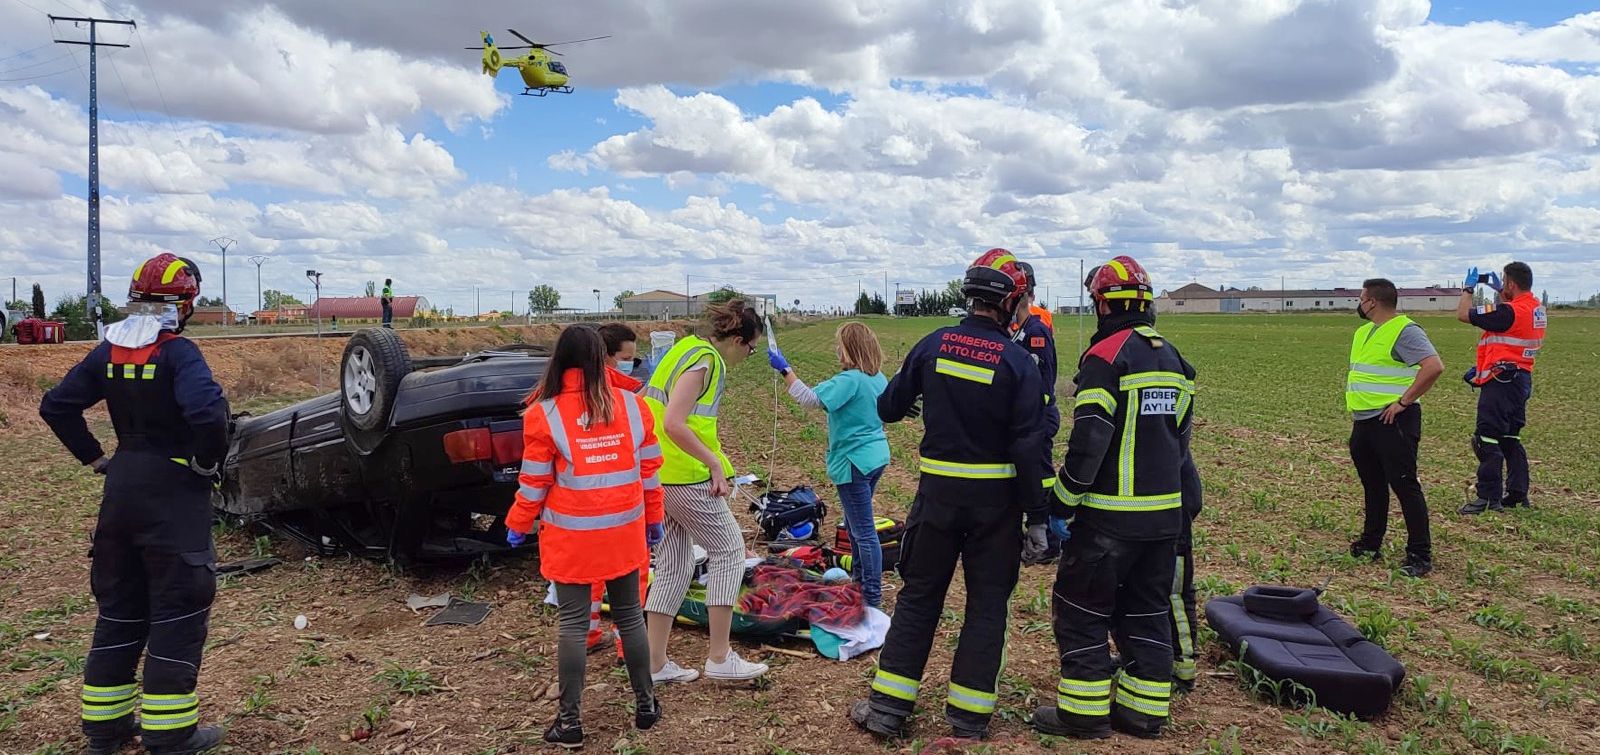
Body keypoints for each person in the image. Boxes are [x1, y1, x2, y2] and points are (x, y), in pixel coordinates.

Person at [851, 249, 1052, 741]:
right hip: (996, 509)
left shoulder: (932, 344)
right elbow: (1031, 446)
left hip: (937, 501)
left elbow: (889, 408)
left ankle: (887, 711)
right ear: (1011, 302)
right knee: (987, 607)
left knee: (920, 598)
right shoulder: (1018, 362)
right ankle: (967, 720)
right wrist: (1040, 517)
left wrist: (931, 396)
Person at [39, 253, 228, 755]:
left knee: (119, 611)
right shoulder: (178, 354)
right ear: (184, 305)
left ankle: (106, 732)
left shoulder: (107, 353)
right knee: (177, 610)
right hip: (173, 495)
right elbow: (208, 416)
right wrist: (207, 464)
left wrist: (96, 459)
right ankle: (171, 736)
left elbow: (55, 406)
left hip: (120, 492)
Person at [1031, 255, 1196, 741]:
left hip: (1108, 520)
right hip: (1165, 519)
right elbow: (1180, 442)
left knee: (1080, 611)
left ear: (1102, 304)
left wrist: (1062, 504)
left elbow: (1090, 441)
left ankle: (1082, 717)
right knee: (1146, 612)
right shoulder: (1173, 358)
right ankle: (1143, 715)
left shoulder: (1105, 358)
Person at [504, 324, 664, 749]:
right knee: (631, 617)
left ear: (560, 360)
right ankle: (646, 706)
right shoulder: (634, 407)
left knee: (574, 625)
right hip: (624, 535)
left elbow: (534, 482)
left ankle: (569, 723)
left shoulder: (545, 413)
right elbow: (650, 474)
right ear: (601, 358)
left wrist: (519, 524)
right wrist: (654, 519)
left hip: (573, 541)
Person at [641, 300, 770, 683]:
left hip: (657, 473)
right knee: (729, 551)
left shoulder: (682, 348)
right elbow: (675, 423)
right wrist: (714, 465)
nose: (749, 356)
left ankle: (655, 664)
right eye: (751, 348)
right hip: (684, 476)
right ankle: (719, 657)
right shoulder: (706, 360)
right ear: (735, 338)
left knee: (674, 564)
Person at [768, 322, 892, 607]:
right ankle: (861, 584)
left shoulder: (849, 380)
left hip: (854, 463)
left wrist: (784, 368)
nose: (837, 349)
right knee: (854, 524)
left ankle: (871, 598)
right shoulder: (878, 378)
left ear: (850, 348)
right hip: (876, 458)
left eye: (839, 344)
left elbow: (809, 399)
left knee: (863, 532)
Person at [1345, 278, 1445, 577]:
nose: (1359, 304)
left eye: (1361, 298)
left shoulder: (1406, 330)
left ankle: (1419, 555)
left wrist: (1404, 401)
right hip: (1364, 420)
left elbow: (1434, 366)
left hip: (1393, 420)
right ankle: (1370, 543)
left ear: (1372, 301)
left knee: (1404, 485)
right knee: (1373, 485)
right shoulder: (1365, 331)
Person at [1456, 262, 1545, 514]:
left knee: (1486, 437)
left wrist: (1468, 289)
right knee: (1510, 437)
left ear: (1511, 284)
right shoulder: (1537, 308)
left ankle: (1487, 497)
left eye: (1504, 282)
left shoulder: (1508, 312)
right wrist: (1499, 290)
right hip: (1521, 379)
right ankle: (1517, 493)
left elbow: (1464, 314)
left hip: (1502, 383)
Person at [1011, 261, 1062, 565]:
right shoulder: (1020, 329)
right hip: (1030, 418)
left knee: (1041, 476)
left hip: (1039, 417)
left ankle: (1049, 542)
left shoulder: (1036, 330)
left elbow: (1043, 381)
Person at [601, 322, 644, 393]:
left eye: (633, 359)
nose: (631, 364)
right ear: (605, 356)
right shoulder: (598, 391)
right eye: (626, 359)